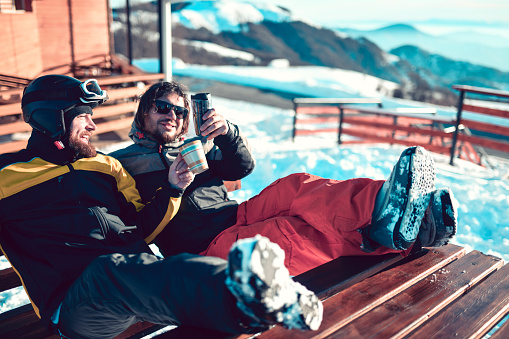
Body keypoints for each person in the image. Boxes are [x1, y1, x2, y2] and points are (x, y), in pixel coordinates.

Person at [0, 75, 324, 339]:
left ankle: (271, 296)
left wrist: (172, 188)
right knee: (110, 271)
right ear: (51, 117)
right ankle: (250, 296)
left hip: (141, 278)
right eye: (82, 115)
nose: (92, 126)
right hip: (76, 303)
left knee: (143, 268)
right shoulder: (6, 176)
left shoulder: (104, 166)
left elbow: (143, 226)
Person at [110, 80, 458, 277]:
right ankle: (399, 231)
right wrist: (172, 188)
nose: (172, 114)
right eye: (162, 106)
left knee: (296, 185)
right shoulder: (122, 165)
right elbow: (136, 230)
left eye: (179, 110)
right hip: (202, 249)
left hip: (237, 214)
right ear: (144, 112)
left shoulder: (190, 149)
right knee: (287, 230)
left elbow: (240, 169)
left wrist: (228, 134)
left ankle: (388, 205)